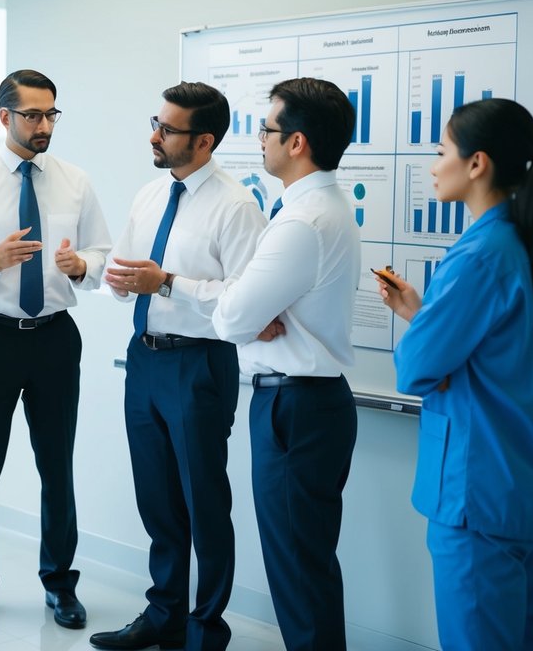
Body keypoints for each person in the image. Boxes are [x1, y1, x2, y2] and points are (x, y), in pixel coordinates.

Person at [377, 99, 533, 651]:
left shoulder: (479, 255)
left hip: (476, 492)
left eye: (441, 151)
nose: (434, 165)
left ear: (477, 163)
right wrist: (425, 316)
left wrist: (426, 339)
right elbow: (493, 358)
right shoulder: (527, 246)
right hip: (520, 486)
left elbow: (414, 370)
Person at [0, 69, 113, 631]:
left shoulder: (75, 181)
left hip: (56, 339)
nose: (43, 125)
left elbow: (102, 253)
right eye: (32, 114)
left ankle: (60, 585)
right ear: (4, 116)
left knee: (57, 468)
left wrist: (83, 266)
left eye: (51, 114)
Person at [91, 82, 265, 651]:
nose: (154, 135)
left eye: (167, 129)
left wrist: (167, 282)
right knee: (158, 498)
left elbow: (245, 300)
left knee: (204, 501)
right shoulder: (150, 194)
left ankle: (204, 628)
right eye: (156, 122)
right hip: (144, 359)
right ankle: (163, 612)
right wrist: (95, 273)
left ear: (205, 140)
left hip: (200, 364)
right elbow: (123, 278)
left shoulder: (237, 205)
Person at [212, 77, 361, 651]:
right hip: (307, 404)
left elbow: (229, 318)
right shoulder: (319, 205)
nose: (261, 140)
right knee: (306, 563)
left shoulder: (302, 221)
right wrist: (248, 312)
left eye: (267, 129)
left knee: (299, 568)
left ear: (296, 142)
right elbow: (242, 312)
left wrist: (245, 313)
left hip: (294, 408)